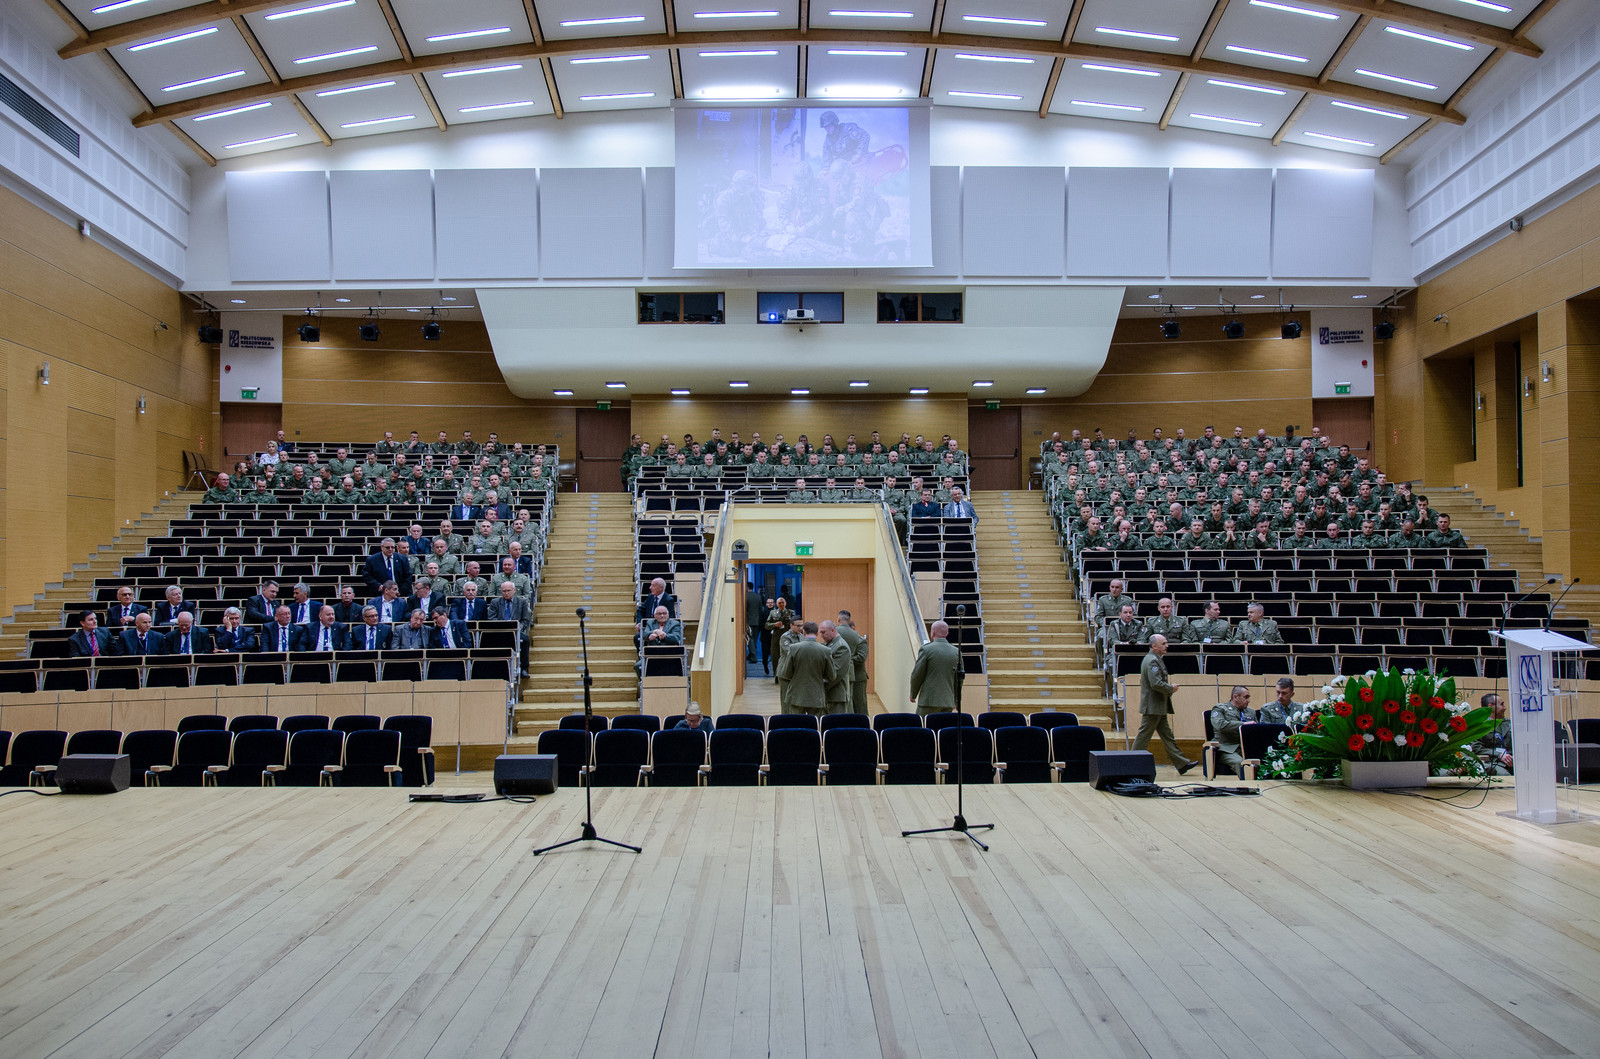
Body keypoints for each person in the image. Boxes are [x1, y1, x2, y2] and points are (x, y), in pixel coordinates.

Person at [1135, 634, 1198, 774]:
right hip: (1153, 706)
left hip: (1158, 706)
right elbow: (1155, 683)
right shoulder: (1152, 661)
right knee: (1143, 736)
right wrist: (1170, 688)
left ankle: (1181, 763)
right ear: (1154, 646)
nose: (1167, 646)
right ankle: (1131, 762)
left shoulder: (1155, 659)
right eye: (1163, 643)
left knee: (1167, 736)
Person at [776, 622, 833, 718]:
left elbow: (786, 673)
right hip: (816, 696)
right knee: (815, 723)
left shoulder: (793, 648)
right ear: (817, 633)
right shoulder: (826, 650)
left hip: (796, 696)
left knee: (797, 724)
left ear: (803, 632)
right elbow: (832, 675)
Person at [909, 619, 961, 717]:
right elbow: (959, 680)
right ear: (947, 633)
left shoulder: (926, 650)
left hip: (929, 701)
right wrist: (956, 700)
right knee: (943, 726)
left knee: (922, 725)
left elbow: (917, 674)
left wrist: (913, 693)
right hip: (947, 702)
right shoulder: (956, 652)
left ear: (933, 632)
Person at [1209, 685, 1259, 776]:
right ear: (1235, 697)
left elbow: (1257, 730)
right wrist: (1244, 725)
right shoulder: (1220, 708)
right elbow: (1220, 725)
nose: (1248, 700)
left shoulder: (1251, 711)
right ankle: (1248, 784)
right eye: (1246, 697)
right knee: (1240, 763)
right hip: (1227, 748)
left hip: (1246, 747)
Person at [837, 610, 869, 714]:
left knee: (859, 705)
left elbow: (861, 657)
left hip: (858, 677)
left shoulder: (860, 640)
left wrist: (845, 660)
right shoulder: (837, 638)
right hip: (845, 675)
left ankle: (863, 723)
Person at [819, 619, 853, 715]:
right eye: (820, 632)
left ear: (833, 630)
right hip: (828, 694)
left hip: (837, 696)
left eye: (823, 632)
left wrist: (819, 686)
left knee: (836, 723)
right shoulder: (828, 643)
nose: (821, 635)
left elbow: (836, 674)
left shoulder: (841, 647)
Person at [1475, 692, 1512, 774]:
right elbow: (1476, 748)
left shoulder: (1510, 724)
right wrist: (1498, 754)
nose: (1505, 708)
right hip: (1492, 762)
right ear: (1491, 706)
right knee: (1504, 775)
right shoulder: (1479, 726)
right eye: (1502, 704)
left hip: (1513, 762)